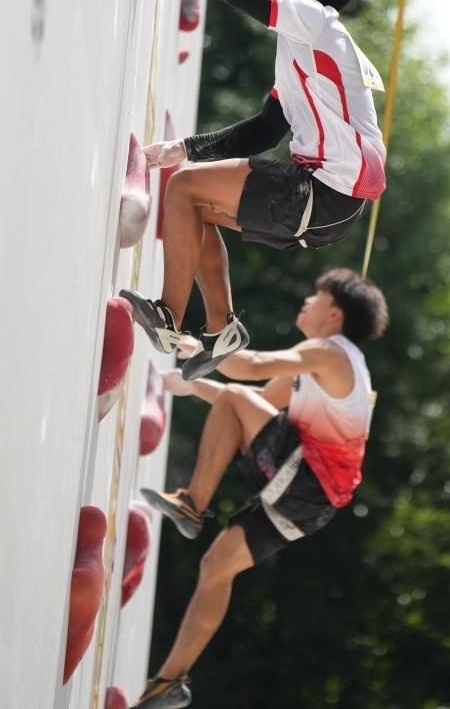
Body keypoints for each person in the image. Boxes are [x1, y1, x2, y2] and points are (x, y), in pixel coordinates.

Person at [120, 0, 386, 380]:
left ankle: (171, 316)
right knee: (192, 203)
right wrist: (186, 148)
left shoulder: (314, 19)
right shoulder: (302, 50)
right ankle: (221, 328)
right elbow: (267, 128)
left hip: (326, 191)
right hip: (333, 203)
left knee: (183, 192)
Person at [129, 268, 388, 709]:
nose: (306, 302)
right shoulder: (322, 368)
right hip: (312, 503)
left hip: (304, 479)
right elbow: (254, 406)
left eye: (316, 297)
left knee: (234, 401)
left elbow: (248, 369)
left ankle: (193, 504)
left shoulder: (329, 352)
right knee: (217, 567)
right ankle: (169, 682)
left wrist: (192, 346)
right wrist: (192, 382)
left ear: (334, 315)